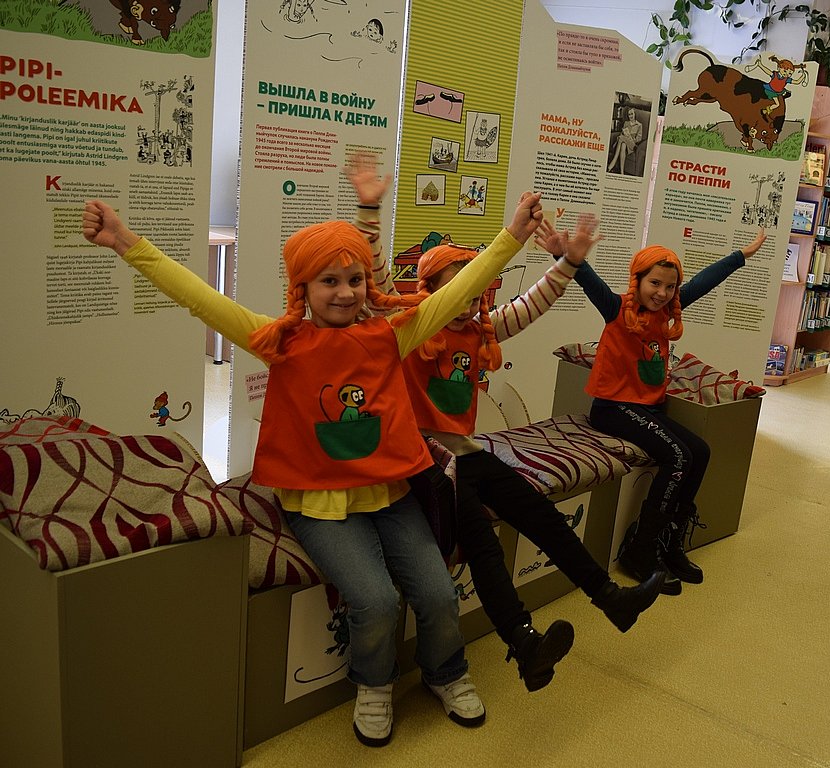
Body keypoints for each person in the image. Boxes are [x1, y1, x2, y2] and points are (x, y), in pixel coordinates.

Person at [81, 182, 543, 749]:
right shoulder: (281, 341)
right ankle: (374, 684)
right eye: (329, 281)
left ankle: (445, 672)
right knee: (375, 600)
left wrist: (512, 236)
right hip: (318, 504)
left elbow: (459, 291)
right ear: (302, 288)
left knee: (439, 592)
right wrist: (125, 242)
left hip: (390, 493)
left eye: (355, 279)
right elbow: (201, 298)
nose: (345, 293)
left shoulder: (391, 335)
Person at [391, 213, 665, 693]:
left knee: (538, 512)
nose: (466, 304)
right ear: (428, 290)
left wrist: (568, 262)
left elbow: (530, 304)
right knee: (481, 539)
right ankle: (524, 642)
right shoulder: (410, 329)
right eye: (455, 292)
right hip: (424, 463)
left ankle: (609, 598)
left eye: (473, 294)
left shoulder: (479, 329)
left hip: (465, 453)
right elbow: (376, 294)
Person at [537, 217, 766, 594]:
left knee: (700, 451)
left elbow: (704, 281)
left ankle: (669, 542)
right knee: (678, 455)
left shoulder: (667, 312)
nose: (662, 293)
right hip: (612, 408)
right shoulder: (616, 309)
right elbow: (589, 281)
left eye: (669, 286)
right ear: (638, 280)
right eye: (654, 283)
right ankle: (641, 549)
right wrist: (568, 256)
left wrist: (742, 255)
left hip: (648, 409)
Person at [607, 107, 643, 175]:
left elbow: (639, 138)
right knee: (623, 144)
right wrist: (623, 136)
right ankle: (622, 172)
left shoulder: (639, 125)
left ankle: (613, 162)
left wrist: (631, 139)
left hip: (632, 145)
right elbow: (622, 133)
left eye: (632, 114)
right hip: (625, 143)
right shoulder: (626, 123)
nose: (630, 116)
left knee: (621, 139)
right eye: (629, 114)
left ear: (635, 114)